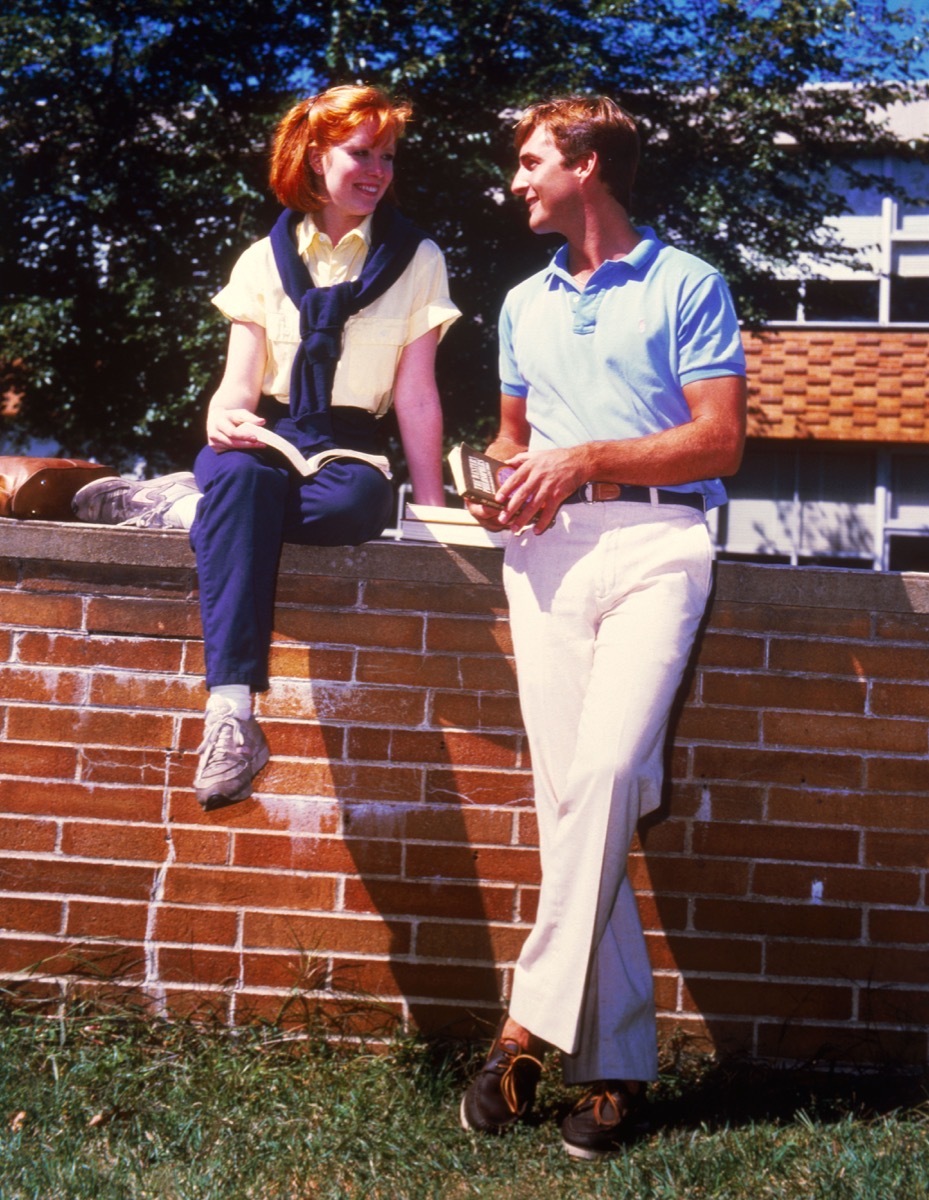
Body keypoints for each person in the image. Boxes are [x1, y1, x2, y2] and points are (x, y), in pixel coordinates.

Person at [459, 95, 746, 1160]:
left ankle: (522, 1024)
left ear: (586, 164)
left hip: (656, 549)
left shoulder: (686, 285)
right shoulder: (519, 304)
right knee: (578, 802)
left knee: (614, 771)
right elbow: (511, 438)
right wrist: (500, 488)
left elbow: (716, 444)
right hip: (543, 562)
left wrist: (586, 460)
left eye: (531, 159)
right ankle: (617, 1073)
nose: (516, 179)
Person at [78, 84, 458, 808]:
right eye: (359, 153)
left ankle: (185, 513)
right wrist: (223, 418)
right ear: (316, 156)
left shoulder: (419, 258)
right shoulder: (262, 258)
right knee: (245, 481)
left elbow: (415, 392)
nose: (376, 169)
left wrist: (432, 509)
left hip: (346, 444)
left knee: (355, 508)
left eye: (387, 155)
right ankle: (231, 714)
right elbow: (235, 388)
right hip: (263, 434)